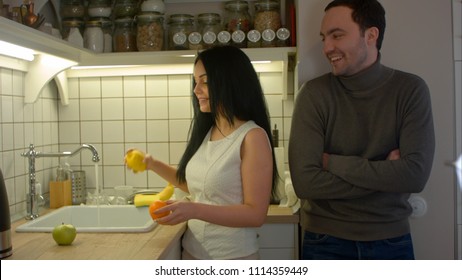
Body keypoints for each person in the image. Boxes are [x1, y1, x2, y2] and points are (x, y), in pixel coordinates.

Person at [289, 0, 435, 260]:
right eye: (324, 38)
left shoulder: (410, 90)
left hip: (391, 242)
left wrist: (332, 163)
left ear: (371, 35)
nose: (326, 48)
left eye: (337, 35)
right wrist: (386, 176)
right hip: (324, 241)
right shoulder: (313, 94)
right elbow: (305, 183)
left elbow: (414, 176)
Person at [126, 45, 277, 260]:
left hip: (232, 259)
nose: (196, 90)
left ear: (230, 82)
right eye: (195, 82)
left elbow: (255, 214)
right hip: (193, 253)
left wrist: (193, 210)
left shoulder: (252, 137)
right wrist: (151, 163)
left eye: (205, 82)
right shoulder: (210, 131)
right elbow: (196, 186)